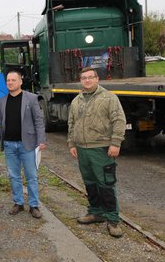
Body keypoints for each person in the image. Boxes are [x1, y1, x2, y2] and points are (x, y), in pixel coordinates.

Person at [67, 67, 126, 238]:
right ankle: (96, 212)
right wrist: (72, 143)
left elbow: (119, 120)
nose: (87, 80)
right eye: (83, 78)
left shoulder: (109, 98)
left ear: (97, 79)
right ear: (80, 80)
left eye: (90, 77)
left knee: (106, 184)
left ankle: (113, 220)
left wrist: (115, 143)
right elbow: (71, 123)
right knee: (90, 183)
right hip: (82, 150)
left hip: (101, 149)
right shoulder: (76, 101)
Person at [0, 70, 47, 219]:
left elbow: (38, 121)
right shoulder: (2, 101)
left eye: (13, 80)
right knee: (13, 176)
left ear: (20, 81)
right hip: (9, 145)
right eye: (8, 80)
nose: (10, 82)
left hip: (27, 144)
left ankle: (34, 205)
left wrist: (41, 140)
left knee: (31, 176)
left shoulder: (31, 98)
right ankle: (18, 202)